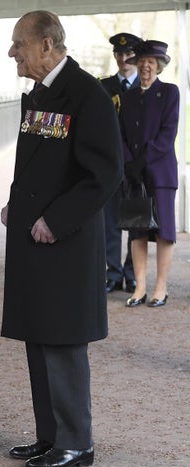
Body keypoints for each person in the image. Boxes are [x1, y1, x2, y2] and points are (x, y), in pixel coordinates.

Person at [1, 11, 122, 467]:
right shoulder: (40, 93)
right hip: (33, 236)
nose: (13, 52)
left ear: (48, 44)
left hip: (65, 241)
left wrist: (54, 219)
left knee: (63, 341)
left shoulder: (87, 94)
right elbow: (39, 164)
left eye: (19, 44)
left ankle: (76, 441)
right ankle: (50, 436)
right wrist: (19, 204)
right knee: (38, 335)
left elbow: (104, 174)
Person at [119, 40, 179, 308]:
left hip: (161, 172)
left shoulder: (169, 92)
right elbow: (119, 134)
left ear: (159, 66)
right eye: (142, 60)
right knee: (137, 231)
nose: (145, 65)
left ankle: (160, 288)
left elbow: (168, 133)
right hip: (134, 174)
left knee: (164, 232)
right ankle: (140, 288)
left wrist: (143, 160)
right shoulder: (127, 97)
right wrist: (129, 164)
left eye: (151, 61)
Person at [100, 32, 142, 294]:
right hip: (111, 165)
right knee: (110, 223)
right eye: (119, 54)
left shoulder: (147, 86)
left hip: (137, 167)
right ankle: (113, 274)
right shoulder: (103, 87)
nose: (123, 59)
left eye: (128, 55)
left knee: (136, 223)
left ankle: (132, 274)